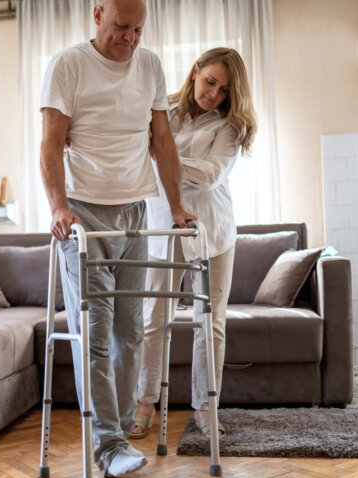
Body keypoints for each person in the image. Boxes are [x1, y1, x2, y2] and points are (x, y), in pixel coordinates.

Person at [39, 0, 196, 478]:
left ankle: (122, 428)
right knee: (98, 336)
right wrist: (58, 207)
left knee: (131, 332)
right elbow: (50, 141)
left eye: (138, 29)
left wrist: (175, 206)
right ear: (97, 15)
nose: (130, 38)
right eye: (121, 27)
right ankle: (107, 445)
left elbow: (161, 140)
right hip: (84, 217)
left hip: (135, 212)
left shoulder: (149, 65)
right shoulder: (68, 65)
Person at [131, 47, 257, 439]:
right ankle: (144, 403)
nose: (214, 94)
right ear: (195, 72)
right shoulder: (161, 112)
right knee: (154, 319)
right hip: (159, 229)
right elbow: (126, 145)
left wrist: (163, 155)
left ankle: (205, 408)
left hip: (211, 232)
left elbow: (211, 174)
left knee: (210, 323)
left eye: (223, 90)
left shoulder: (230, 127)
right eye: (210, 82)